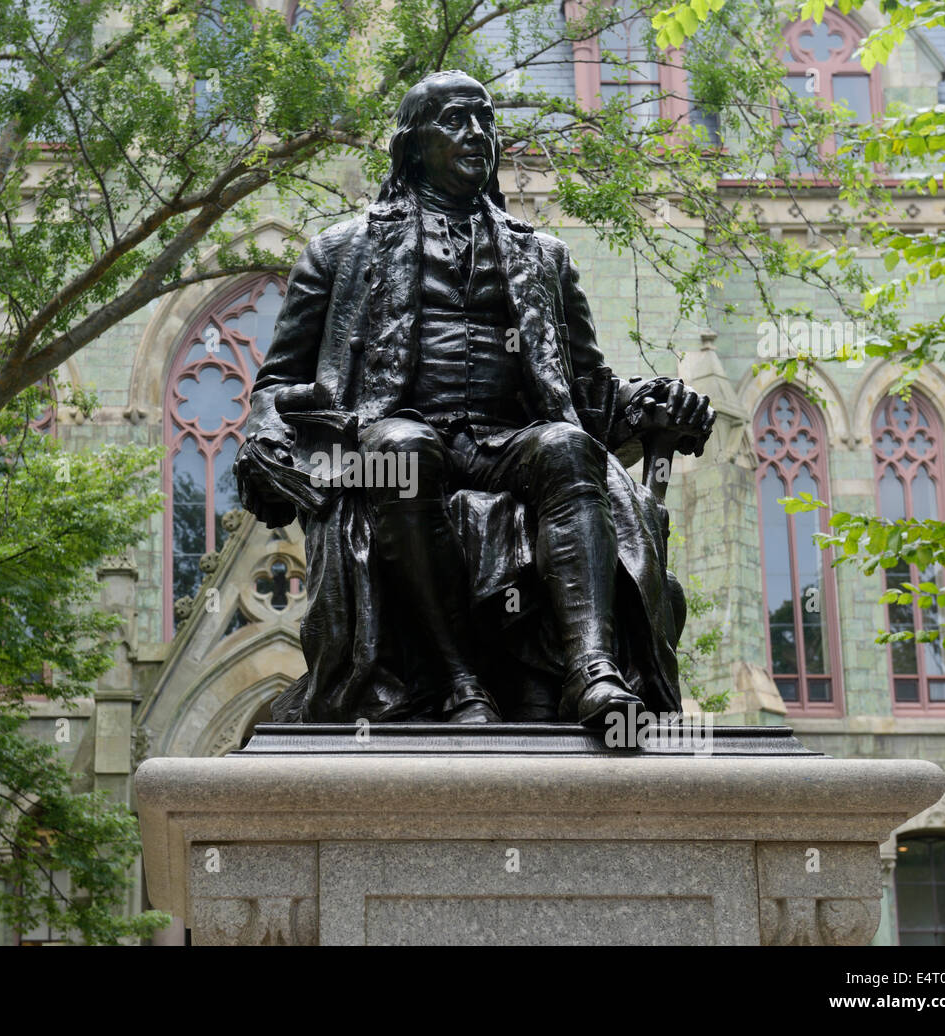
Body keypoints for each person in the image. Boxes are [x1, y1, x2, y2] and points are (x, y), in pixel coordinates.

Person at [235, 70, 714, 725]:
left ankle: (592, 672)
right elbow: (276, 382)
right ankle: (459, 680)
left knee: (570, 447)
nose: (476, 135)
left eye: (485, 121)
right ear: (412, 145)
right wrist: (264, 435)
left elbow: (589, 393)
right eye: (455, 121)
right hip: (394, 432)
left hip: (504, 439)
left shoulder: (542, 256)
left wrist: (658, 402)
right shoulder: (341, 251)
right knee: (403, 452)